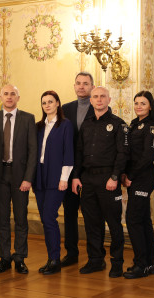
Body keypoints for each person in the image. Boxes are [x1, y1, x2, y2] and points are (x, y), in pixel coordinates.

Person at [72, 86, 128, 278]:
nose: (98, 99)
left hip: (108, 180)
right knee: (91, 223)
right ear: (91, 100)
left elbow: (122, 154)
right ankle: (95, 260)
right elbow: (79, 152)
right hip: (87, 179)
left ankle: (117, 262)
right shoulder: (86, 124)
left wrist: (114, 177)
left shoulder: (118, 124)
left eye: (102, 96)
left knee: (113, 223)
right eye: (95, 96)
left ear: (109, 99)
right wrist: (76, 176)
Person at [0, 84, 37, 274]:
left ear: (18, 97)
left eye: (13, 94)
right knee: (2, 219)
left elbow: (33, 151)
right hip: (0, 175)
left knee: (21, 219)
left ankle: (20, 258)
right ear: (0, 96)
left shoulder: (27, 118)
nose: (9, 97)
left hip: (20, 177)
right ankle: (4, 258)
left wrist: (28, 178)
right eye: (6, 94)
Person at [33, 91, 74, 275]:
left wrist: (64, 178)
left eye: (50, 101)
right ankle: (51, 258)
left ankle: (55, 259)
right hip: (40, 176)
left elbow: (68, 152)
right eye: (44, 102)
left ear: (58, 103)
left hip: (57, 178)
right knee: (45, 219)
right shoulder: (38, 126)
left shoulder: (65, 125)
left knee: (49, 217)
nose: (47, 105)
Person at [122, 91, 154, 279]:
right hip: (134, 177)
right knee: (144, 220)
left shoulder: (152, 127)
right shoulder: (134, 124)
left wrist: (130, 175)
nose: (139, 106)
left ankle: (141, 264)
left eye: (143, 103)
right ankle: (148, 264)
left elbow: (147, 156)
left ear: (150, 106)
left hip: (143, 178)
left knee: (133, 219)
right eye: (136, 103)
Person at [60, 72, 95, 267]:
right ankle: (71, 253)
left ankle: (93, 255)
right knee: (69, 213)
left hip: (90, 170)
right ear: (74, 86)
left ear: (92, 86)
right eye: (78, 83)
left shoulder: (98, 106)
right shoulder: (65, 109)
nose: (81, 87)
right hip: (70, 169)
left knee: (91, 214)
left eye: (86, 84)